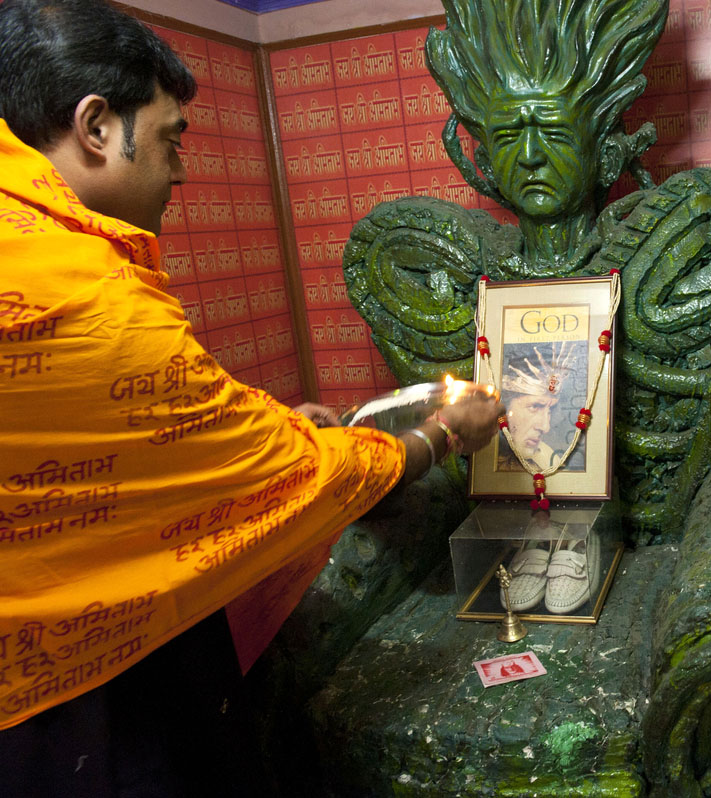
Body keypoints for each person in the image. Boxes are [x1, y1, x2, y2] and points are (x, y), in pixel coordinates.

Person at [0, 1, 502, 796]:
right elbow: (287, 474)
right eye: (170, 139)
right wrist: (442, 434)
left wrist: (263, 428)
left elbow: (142, 443)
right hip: (73, 705)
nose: (182, 171)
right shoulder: (84, 299)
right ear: (97, 127)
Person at [497, 341, 584, 472]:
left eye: (550, 410)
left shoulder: (548, 460)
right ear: (505, 406)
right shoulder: (485, 461)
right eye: (535, 406)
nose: (545, 427)